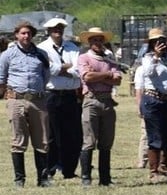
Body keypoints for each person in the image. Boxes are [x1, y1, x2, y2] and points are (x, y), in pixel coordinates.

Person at [0, 21, 52, 187]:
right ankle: (19, 179)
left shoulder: (41, 54)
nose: (26, 36)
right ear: (16, 35)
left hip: (38, 100)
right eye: (22, 33)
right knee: (18, 139)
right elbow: (1, 77)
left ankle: (43, 179)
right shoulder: (7, 55)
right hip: (17, 99)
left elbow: (46, 76)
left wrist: (39, 92)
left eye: (29, 33)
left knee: (42, 140)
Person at [77, 27, 123, 186]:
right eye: (94, 40)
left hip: (108, 102)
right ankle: (86, 177)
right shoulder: (84, 58)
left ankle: (105, 178)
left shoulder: (110, 60)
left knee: (106, 142)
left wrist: (100, 76)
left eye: (100, 40)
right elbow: (87, 77)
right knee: (89, 140)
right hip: (91, 100)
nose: (97, 43)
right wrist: (107, 75)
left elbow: (117, 80)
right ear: (89, 42)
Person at [38, 17, 83, 179]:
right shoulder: (42, 48)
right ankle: (49, 168)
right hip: (52, 95)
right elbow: (48, 69)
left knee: (72, 134)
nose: (58, 31)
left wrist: (61, 69)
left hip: (70, 96)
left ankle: (69, 170)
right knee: (51, 135)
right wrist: (66, 68)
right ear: (48, 31)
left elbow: (79, 71)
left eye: (60, 28)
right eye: (54, 29)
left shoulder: (72, 47)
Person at [136, 28, 167, 184]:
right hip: (152, 100)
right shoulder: (147, 58)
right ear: (151, 44)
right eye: (156, 41)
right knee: (155, 138)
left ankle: (164, 167)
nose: (160, 44)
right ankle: (153, 171)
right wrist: (155, 56)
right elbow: (148, 72)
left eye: (162, 41)